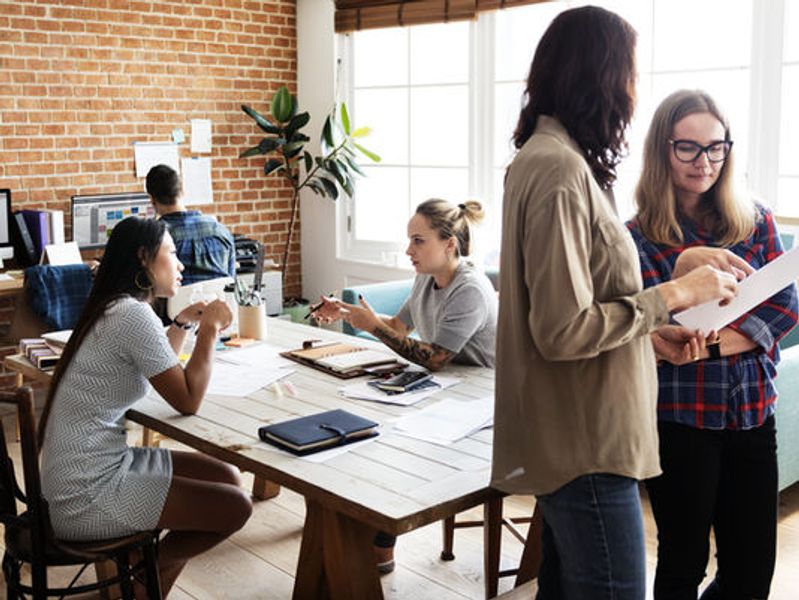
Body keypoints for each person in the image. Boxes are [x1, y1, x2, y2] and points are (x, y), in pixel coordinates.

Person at [490, 7, 747, 599]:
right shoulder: (557, 170)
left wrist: (649, 334)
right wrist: (678, 293)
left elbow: (588, 302)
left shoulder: (558, 160)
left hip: (583, 434)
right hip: (587, 445)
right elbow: (561, 330)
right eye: (630, 73)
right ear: (599, 76)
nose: (634, 90)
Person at [626, 89, 799, 600]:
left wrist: (718, 344)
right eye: (689, 148)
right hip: (680, 421)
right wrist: (670, 336)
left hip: (753, 415)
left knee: (751, 571)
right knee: (681, 562)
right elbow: (642, 324)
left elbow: (786, 304)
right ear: (662, 149)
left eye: (716, 147)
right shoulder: (635, 237)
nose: (705, 161)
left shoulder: (756, 220)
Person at [39, 216, 252, 597]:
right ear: (143, 258)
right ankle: (142, 580)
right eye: (171, 252)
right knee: (236, 507)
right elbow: (186, 399)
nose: (181, 263)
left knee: (229, 477)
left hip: (86, 469)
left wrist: (184, 324)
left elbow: (160, 372)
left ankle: (142, 584)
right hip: (88, 492)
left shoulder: (117, 307)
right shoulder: (132, 315)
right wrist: (210, 329)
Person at [313, 198, 498, 573]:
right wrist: (350, 314)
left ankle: (381, 540)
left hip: (481, 403)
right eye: (409, 240)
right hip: (445, 392)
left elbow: (434, 357)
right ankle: (358, 523)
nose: (408, 250)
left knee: (391, 443)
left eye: (418, 240)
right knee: (365, 424)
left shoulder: (470, 289)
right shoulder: (425, 279)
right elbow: (399, 328)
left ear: (449, 243)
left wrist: (372, 327)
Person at [146, 164, 236, 285]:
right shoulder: (221, 231)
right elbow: (232, 282)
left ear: (152, 199)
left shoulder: (156, 237)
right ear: (182, 192)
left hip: (176, 304)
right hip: (222, 303)